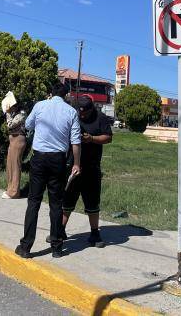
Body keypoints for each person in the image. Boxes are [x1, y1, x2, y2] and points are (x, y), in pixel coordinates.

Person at [16, 82, 81, 259]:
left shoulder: (40, 105)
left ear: (50, 94)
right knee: (56, 204)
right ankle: (57, 247)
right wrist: (76, 163)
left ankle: (26, 246)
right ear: (66, 95)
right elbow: (75, 142)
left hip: (39, 158)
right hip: (58, 160)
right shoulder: (71, 112)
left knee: (34, 202)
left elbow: (28, 125)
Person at [61, 96, 113, 248]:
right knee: (68, 199)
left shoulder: (101, 118)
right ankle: (60, 230)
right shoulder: (73, 116)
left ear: (92, 109)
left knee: (92, 201)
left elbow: (108, 137)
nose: (82, 115)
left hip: (92, 167)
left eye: (85, 113)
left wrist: (92, 138)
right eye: (80, 113)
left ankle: (95, 233)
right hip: (73, 166)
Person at [1, 91, 27, 200]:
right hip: (13, 139)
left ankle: (14, 192)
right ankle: (10, 189)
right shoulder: (14, 113)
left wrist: (7, 114)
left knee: (16, 166)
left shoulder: (21, 113)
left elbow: (10, 125)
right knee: (10, 165)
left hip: (18, 139)